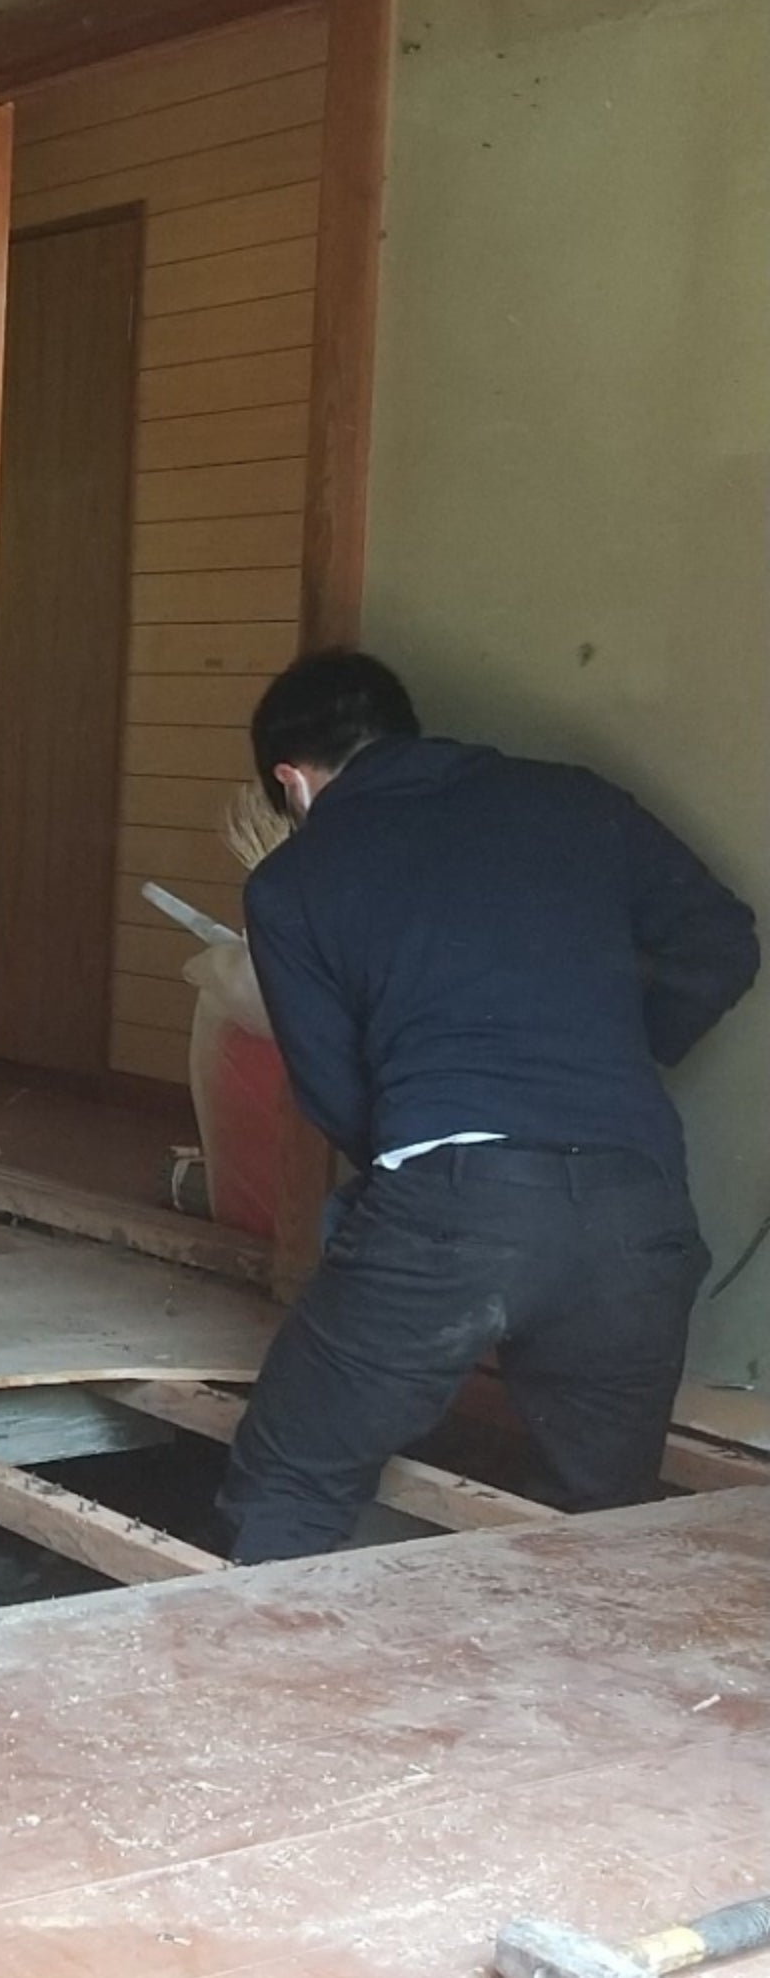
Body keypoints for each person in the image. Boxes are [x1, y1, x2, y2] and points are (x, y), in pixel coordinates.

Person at [217, 649, 758, 1563]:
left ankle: (249, 1655)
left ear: (292, 780)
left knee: (293, 1480)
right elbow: (721, 943)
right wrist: (623, 1055)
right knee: (605, 1516)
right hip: (635, 1211)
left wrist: (438, 1179)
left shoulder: (294, 881)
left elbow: (333, 1090)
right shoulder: (575, 801)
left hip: (451, 1207)